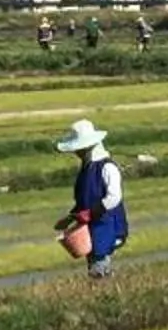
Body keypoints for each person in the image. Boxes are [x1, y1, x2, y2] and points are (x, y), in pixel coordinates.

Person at [55, 118, 128, 276]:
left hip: (106, 224)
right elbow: (83, 200)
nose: (76, 152)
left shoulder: (107, 167)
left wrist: (91, 213)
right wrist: (70, 218)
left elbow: (114, 197)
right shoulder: (86, 170)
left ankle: (105, 292)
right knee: (94, 261)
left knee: (99, 264)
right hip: (91, 226)